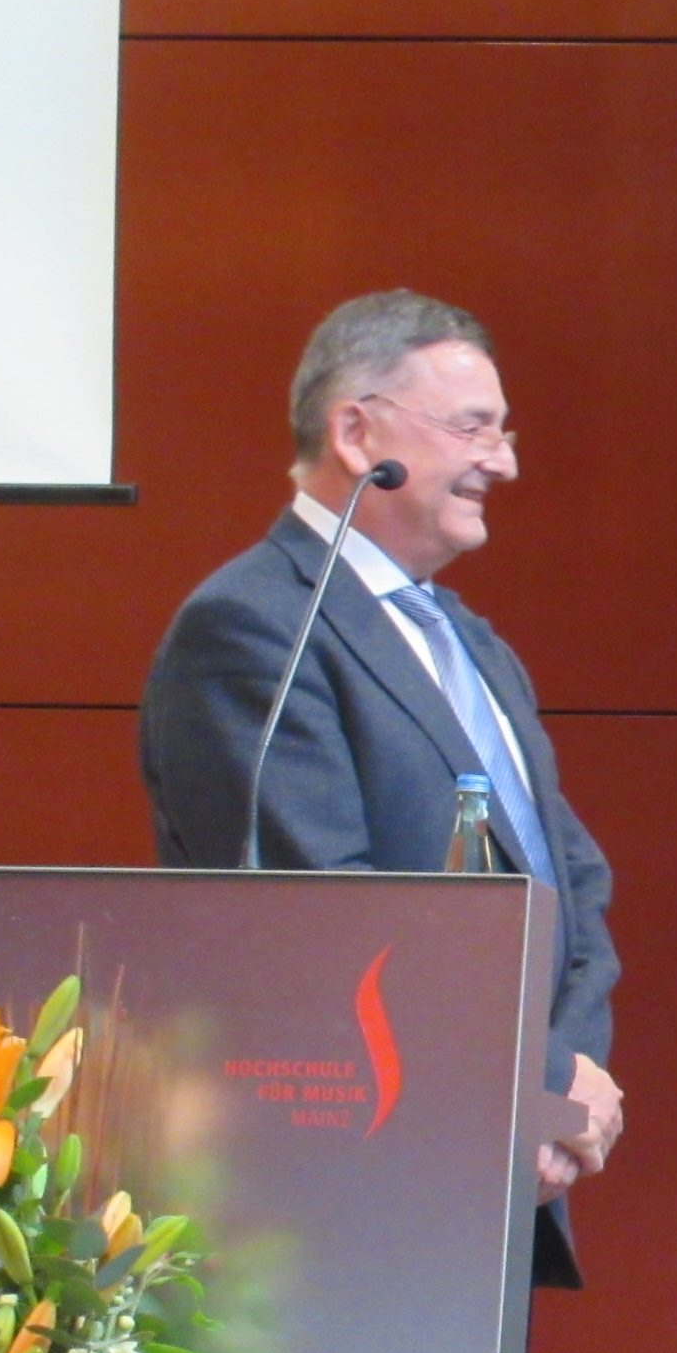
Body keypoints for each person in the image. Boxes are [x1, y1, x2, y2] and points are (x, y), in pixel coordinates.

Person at [139, 289, 625, 1289]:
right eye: (473, 427)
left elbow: (574, 886)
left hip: (487, 1178)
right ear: (357, 435)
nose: (503, 462)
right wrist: (534, 1087)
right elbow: (324, 915)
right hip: (344, 1191)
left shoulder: (470, 643)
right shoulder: (253, 627)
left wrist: (566, 1090)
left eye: (503, 432)